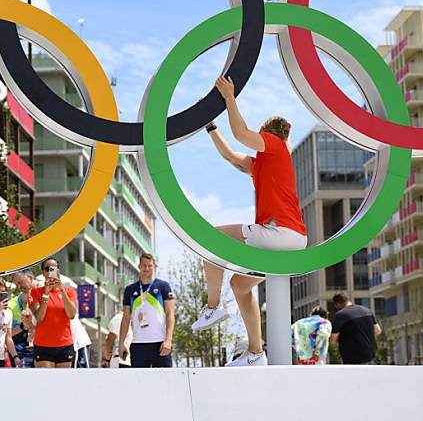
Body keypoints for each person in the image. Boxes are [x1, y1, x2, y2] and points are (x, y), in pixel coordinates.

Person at [191, 76, 308, 367]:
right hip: (286, 238)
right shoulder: (262, 164)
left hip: (280, 231)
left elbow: (241, 134)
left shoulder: (277, 147)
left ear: (267, 133)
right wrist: (210, 127)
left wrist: (229, 97)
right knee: (240, 285)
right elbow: (231, 156)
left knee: (211, 239)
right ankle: (256, 352)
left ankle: (212, 307)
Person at [119, 253, 175, 368]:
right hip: (138, 345)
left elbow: (170, 314)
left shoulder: (163, 287)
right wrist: (121, 343)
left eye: (150, 266)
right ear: (139, 266)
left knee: (165, 383)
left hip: (160, 343)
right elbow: (125, 318)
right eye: (144, 265)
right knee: (139, 384)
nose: (146, 268)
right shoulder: (130, 290)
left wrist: (168, 340)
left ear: (154, 267)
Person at [28, 258, 77, 367]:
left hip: (65, 345)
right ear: (43, 273)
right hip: (43, 345)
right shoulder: (35, 292)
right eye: (47, 269)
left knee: (63, 382)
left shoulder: (69, 291)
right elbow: (39, 318)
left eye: (53, 269)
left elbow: (72, 315)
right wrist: (46, 293)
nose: (50, 272)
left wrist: (62, 290)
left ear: (58, 271)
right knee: (45, 382)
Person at [330, 293, 381, 365]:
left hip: (352, 357)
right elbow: (378, 331)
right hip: (370, 355)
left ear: (337, 304)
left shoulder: (340, 315)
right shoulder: (367, 310)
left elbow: (333, 340)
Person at [8, 270, 36, 367]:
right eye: (17, 284)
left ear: (30, 279)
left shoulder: (43, 298)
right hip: (20, 353)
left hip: (41, 348)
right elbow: (6, 334)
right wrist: (22, 327)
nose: (19, 287)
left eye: (20, 282)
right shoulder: (11, 305)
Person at [0, 279, 18, 367]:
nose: (0, 295)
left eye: (3, 293)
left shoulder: (8, 313)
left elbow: (8, 338)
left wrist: (15, 356)